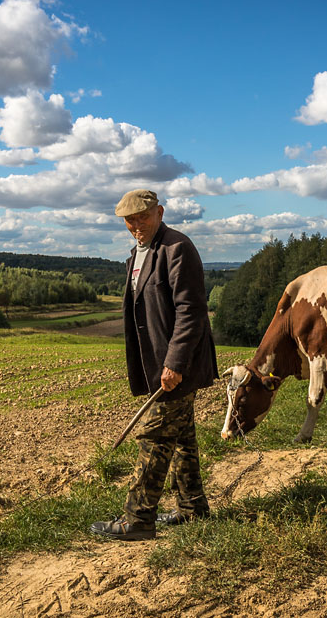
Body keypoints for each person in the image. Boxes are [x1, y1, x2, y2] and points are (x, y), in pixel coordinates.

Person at [90, 189, 218, 541]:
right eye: (129, 220)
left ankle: (138, 517)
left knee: (156, 435)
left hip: (179, 365)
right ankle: (193, 507)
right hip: (162, 366)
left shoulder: (177, 248)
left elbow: (191, 312)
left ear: (159, 212)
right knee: (181, 438)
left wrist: (174, 363)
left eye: (142, 217)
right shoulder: (139, 253)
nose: (136, 225)